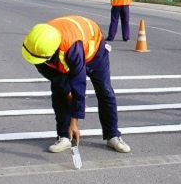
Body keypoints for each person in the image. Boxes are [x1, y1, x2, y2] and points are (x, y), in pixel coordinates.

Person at [21, 15, 131, 153]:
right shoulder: (37, 47)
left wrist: (74, 123)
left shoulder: (73, 49)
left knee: (105, 90)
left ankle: (113, 135)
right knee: (59, 92)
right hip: (65, 47)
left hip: (94, 50)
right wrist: (67, 94)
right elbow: (57, 79)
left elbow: (79, 86)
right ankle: (64, 137)